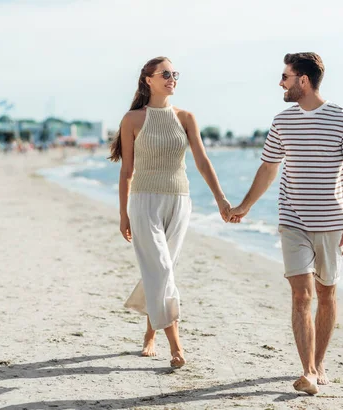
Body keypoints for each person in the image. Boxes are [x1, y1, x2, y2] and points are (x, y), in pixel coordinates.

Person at [229, 52, 343, 395]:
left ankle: (319, 363)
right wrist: (245, 205)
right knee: (301, 295)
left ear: (303, 80)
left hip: (332, 222)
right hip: (292, 220)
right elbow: (269, 168)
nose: (281, 83)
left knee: (326, 293)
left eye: (286, 77)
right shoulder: (282, 121)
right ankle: (307, 371)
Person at [109, 56, 232, 368]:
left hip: (179, 200)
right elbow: (126, 172)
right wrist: (123, 215)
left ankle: (150, 332)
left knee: (162, 271)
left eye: (174, 73)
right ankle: (176, 347)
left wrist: (220, 200)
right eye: (165, 73)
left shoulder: (186, 117)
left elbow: (202, 162)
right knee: (161, 269)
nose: (172, 78)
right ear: (148, 79)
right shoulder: (133, 119)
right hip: (143, 202)